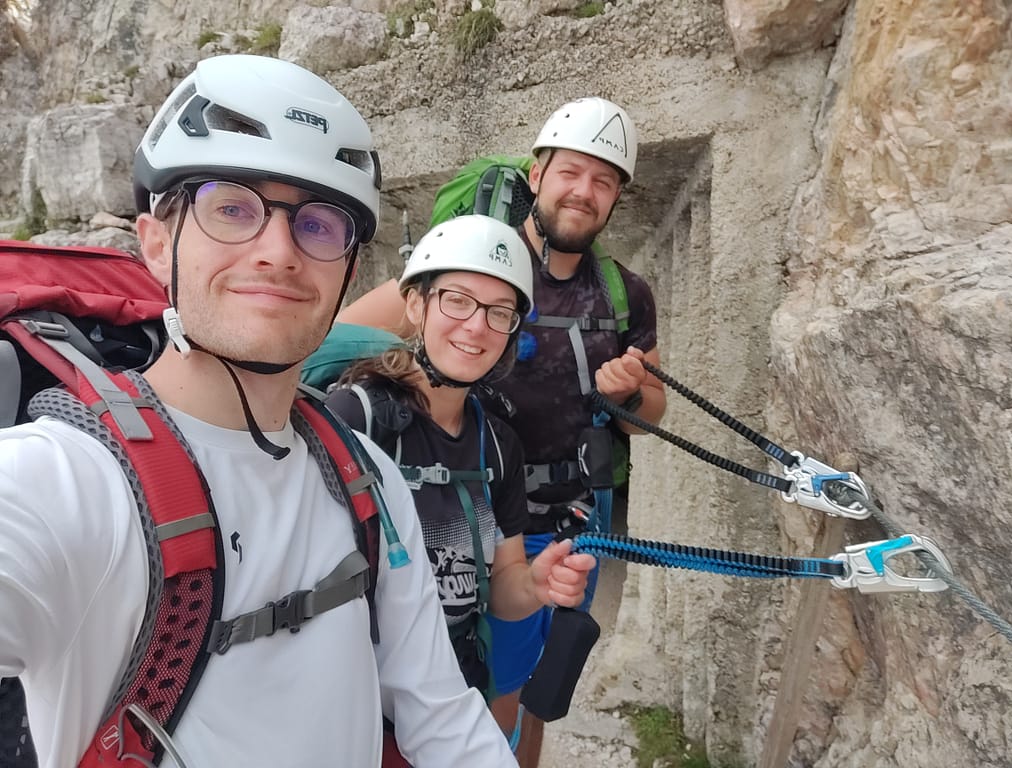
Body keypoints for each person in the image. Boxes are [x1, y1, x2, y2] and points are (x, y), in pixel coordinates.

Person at [0, 54, 521, 767]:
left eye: (319, 224)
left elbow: (441, 712)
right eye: (232, 207)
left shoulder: (366, 476)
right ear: (157, 242)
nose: (277, 251)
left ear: (347, 270)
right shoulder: (59, 479)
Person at [336, 97, 666, 767]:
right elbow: (339, 333)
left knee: (539, 685)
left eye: (604, 181)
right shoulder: (477, 258)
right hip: (462, 502)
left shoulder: (624, 294)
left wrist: (630, 390)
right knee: (474, 683)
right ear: (537, 173)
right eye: (572, 172)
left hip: (566, 519)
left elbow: (655, 412)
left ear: (617, 199)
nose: (585, 191)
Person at [323, 214, 596, 758]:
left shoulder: (498, 444)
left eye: (500, 313)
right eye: (457, 300)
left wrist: (536, 588)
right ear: (417, 305)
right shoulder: (353, 417)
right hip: (357, 706)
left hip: (451, 695)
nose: (476, 327)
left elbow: (504, 587)